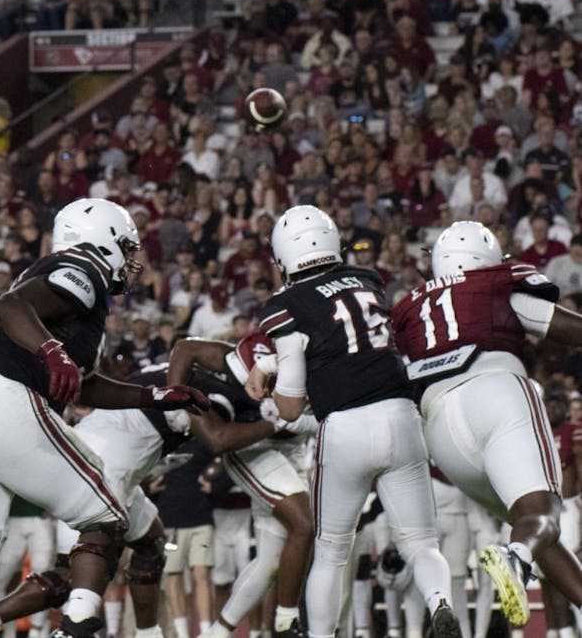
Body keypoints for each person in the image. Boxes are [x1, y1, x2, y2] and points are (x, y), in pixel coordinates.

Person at [0, 198, 209, 638]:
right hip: (5, 401)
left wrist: (153, 395)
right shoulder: (85, 265)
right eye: (125, 246)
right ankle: (75, 626)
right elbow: (11, 305)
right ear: (102, 241)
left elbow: (84, 384)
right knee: (108, 518)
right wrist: (51, 351)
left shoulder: (70, 287)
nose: (131, 260)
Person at [247, 205, 460, 638]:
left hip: (345, 429)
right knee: (421, 543)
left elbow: (289, 407)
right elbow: (347, 340)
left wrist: (271, 375)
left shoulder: (285, 304)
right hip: (402, 416)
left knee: (331, 552)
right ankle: (441, 603)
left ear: (284, 256)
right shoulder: (366, 280)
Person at [0, 357, 273, 638]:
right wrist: (278, 421)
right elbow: (218, 438)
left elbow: (184, 354)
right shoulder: (212, 391)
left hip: (98, 458)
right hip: (105, 472)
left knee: (150, 545)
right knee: (72, 575)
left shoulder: (171, 365)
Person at [390, 221, 582, 624]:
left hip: (441, 432)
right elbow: (569, 331)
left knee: (531, 526)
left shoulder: (410, 308)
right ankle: (515, 557)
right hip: (495, 393)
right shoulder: (490, 285)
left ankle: (520, 555)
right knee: (543, 513)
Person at [169, 335, 316, 638]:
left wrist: (293, 422)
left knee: (271, 560)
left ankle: (217, 633)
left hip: (294, 450)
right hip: (253, 448)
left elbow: (321, 420)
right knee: (304, 525)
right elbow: (186, 348)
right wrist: (173, 399)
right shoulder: (238, 360)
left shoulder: (313, 360)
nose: (258, 389)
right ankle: (287, 623)